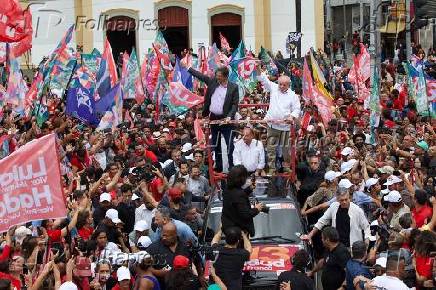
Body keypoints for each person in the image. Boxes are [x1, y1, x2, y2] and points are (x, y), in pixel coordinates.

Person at [182, 63, 239, 173]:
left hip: (226, 120)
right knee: (215, 144)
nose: (217, 78)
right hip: (213, 118)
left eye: (219, 76)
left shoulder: (233, 87)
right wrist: (187, 67)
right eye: (216, 75)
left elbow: (234, 105)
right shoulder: (212, 82)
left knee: (230, 145)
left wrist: (229, 117)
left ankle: (232, 167)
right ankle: (219, 166)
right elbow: (200, 76)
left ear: (225, 76)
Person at [257, 64, 301, 174]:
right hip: (272, 125)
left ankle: (286, 167)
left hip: (285, 127)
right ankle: (272, 169)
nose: (281, 86)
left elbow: (297, 109)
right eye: (280, 84)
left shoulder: (293, 95)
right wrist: (258, 67)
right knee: (271, 148)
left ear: (288, 85)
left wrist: (291, 116)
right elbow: (263, 79)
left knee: (286, 150)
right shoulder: (273, 88)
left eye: (284, 85)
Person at [302, 190, 370, 247]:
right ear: (337, 199)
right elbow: (322, 221)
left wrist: (366, 246)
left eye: (346, 199)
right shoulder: (334, 207)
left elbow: (366, 227)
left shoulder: (357, 210)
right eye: (341, 200)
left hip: (352, 247)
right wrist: (310, 235)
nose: (344, 202)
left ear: (349, 198)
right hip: (336, 246)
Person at [221, 165, 264, 237]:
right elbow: (246, 214)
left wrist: (249, 189)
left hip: (230, 229)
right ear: (241, 179)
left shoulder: (227, 190)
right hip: (239, 234)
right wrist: (257, 209)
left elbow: (236, 198)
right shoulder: (239, 194)